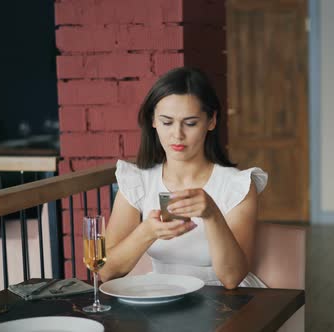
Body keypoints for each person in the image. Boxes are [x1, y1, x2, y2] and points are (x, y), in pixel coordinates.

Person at [99, 67, 268, 289]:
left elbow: (231, 278)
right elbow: (105, 272)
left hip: (225, 300)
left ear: (211, 121)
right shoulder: (138, 181)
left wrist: (212, 214)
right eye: (167, 122)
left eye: (190, 123)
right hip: (162, 293)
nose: (177, 134)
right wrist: (147, 232)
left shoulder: (237, 185)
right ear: (153, 121)